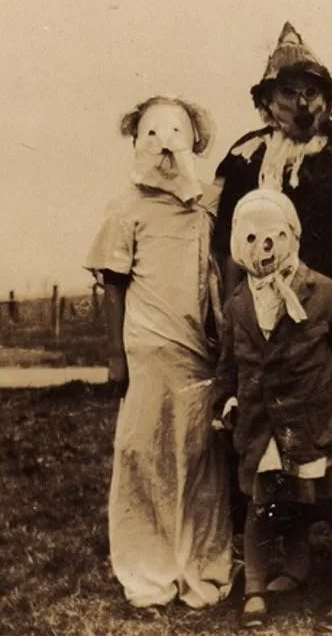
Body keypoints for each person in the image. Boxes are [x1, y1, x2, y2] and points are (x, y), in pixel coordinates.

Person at [213, 22, 332, 587]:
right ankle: (290, 559)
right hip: (266, 320)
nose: (302, 105)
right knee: (275, 428)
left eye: (313, 92)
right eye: (288, 93)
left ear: (329, 98)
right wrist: (235, 313)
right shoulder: (246, 160)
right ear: (266, 102)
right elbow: (230, 244)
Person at [85, 96, 234, 608]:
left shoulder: (206, 206)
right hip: (148, 348)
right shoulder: (126, 207)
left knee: (198, 454)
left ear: (194, 141)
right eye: (153, 135)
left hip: (198, 348)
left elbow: (218, 270)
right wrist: (116, 356)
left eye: (175, 134)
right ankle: (149, 566)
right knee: (145, 452)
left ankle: (202, 566)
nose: (165, 147)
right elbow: (114, 284)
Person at [213, 189, 332, 631]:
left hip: (319, 420)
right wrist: (226, 399)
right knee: (263, 505)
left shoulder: (324, 293)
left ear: (292, 236)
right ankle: (256, 586)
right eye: (250, 241)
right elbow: (229, 364)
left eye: (273, 240)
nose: (262, 252)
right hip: (264, 424)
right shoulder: (237, 304)